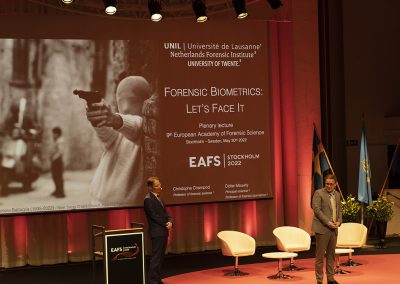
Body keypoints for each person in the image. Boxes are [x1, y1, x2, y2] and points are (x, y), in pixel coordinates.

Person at [86, 75, 151, 206]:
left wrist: (117, 120)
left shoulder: (147, 130)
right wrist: (98, 120)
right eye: (120, 101)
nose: (125, 107)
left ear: (146, 102)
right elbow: (106, 134)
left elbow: (138, 126)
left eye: (133, 101)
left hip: (122, 208)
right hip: (96, 201)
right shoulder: (118, 130)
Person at [312, 173, 342, 284]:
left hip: (334, 229)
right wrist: (329, 223)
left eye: (331, 184)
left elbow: (340, 211)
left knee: (331, 255)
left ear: (335, 184)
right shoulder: (318, 193)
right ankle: (319, 280)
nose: (328, 186)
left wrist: (339, 221)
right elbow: (317, 210)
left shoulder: (337, 195)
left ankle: (331, 278)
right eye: (327, 184)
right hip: (322, 228)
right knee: (320, 257)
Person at [144, 176, 173, 284]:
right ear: (151, 187)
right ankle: (152, 281)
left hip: (163, 232)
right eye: (157, 185)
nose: (160, 187)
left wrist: (170, 221)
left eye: (159, 184)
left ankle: (157, 279)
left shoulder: (160, 198)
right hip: (157, 232)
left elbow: (166, 214)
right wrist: (166, 223)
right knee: (156, 258)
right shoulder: (148, 199)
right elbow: (154, 216)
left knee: (161, 258)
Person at [50, 126, 65, 197]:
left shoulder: (60, 141)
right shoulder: (56, 140)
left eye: (54, 133)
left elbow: (60, 152)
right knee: (54, 176)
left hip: (58, 162)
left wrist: (54, 158)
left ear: (57, 134)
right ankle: (57, 190)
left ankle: (61, 193)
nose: (53, 135)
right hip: (55, 161)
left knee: (58, 177)